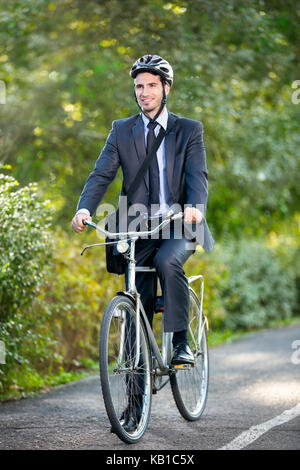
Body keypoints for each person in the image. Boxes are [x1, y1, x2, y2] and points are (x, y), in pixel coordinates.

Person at [72, 54, 214, 430]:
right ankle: (134, 408)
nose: (144, 92)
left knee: (170, 262)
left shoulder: (188, 129)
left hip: (180, 224)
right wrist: (84, 210)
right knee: (138, 312)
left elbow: (198, 176)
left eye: (152, 85)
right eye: (139, 86)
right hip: (139, 228)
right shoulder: (122, 130)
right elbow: (101, 174)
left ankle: (181, 342)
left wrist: (195, 208)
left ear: (166, 88)